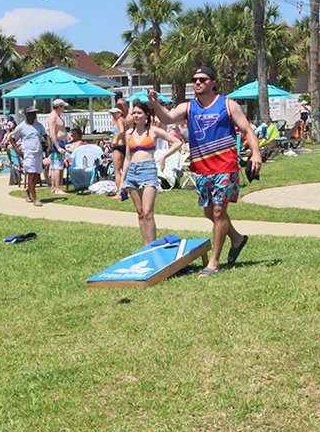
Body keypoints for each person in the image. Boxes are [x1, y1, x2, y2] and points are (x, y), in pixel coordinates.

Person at [148, 65, 261, 277]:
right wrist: (155, 103)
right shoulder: (188, 107)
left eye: (202, 79)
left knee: (219, 212)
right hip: (202, 168)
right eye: (195, 79)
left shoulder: (227, 104)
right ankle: (237, 238)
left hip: (225, 166)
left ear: (213, 83)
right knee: (209, 212)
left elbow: (247, 130)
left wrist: (256, 153)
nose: (197, 83)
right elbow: (167, 118)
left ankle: (214, 263)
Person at [119, 101, 181, 244]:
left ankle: (153, 244)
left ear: (146, 115)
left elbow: (177, 142)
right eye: (133, 113)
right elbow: (127, 158)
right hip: (132, 172)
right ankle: (146, 246)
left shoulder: (153, 131)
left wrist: (164, 156)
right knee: (140, 213)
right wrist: (122, 181)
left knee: (148, 212)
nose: (135, 115)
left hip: (148, 170)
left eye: (139, 113)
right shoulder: (129, 133)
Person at [8, 106, 46, 204]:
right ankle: (35, 199)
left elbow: (46, 136)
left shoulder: (39, 125)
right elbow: (11, 138)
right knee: (31, 175)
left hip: (38, 153)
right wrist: (17, 150)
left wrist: (49, 145)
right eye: (32, 113)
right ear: (26, 115)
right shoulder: (21, 127)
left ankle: (27, 192)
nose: (34, 115)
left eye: (35, 113)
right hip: (28, 154)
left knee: (37, 176)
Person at [47, 99, 69, 195]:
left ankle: (54, 187)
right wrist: (58, 147)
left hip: (61, 142)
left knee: (58, 165)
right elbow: (52, 133)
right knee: (57, 166)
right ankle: (57, 188)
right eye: (63, 106)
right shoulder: (53, 117)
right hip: (57, 143)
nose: (64, 108)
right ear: (59, 107)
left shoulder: (58, 116)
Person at [109, 104, 128, 188]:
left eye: (114, 113)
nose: (113, 115)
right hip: (124, 146)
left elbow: (121, 131)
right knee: (124, 170)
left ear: (119, 113)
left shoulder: (120, 120)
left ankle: (119, 192)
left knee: (117, 171)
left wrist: (115, 140)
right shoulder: (123, 120)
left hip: (118, 147)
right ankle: (126, 190)